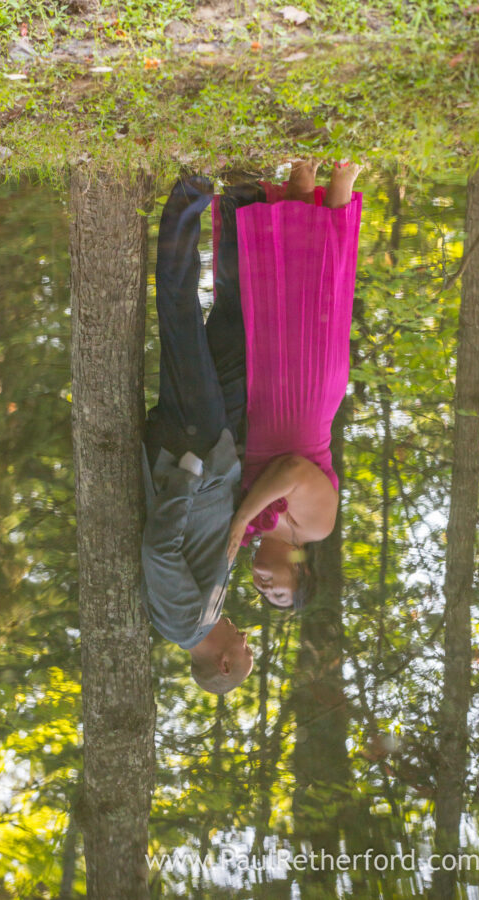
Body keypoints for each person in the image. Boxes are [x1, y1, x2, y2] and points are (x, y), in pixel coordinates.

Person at [224, 160, 363, 609]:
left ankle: (300, 174)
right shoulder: (315, 528)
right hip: (307, 389)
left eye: (264, 595)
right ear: (300, 570)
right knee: (318, 285)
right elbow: (293, 470)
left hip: (264, 385)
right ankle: (344, 175)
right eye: (280, 591)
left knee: (276, 288)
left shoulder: (250, 529)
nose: (266, 588)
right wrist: (242, 515)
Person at [141, 174, 254, 693]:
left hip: (193, 448)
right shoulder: (207, 615)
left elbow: (161, 550)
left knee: (180, 315)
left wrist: (187, 476)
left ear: (224, 665)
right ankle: (237, 198)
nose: (248, 642)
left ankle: (190, 195)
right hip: (216, 445)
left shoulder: (182, 624)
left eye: (246, 653)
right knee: (235, 326)